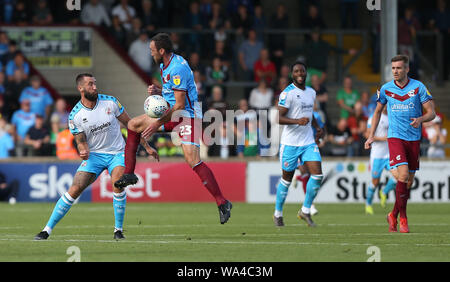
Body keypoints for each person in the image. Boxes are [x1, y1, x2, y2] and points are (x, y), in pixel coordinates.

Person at [114, 33, 233, 224]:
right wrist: (159, 92)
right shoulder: (164, 65)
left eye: (152, 50)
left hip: (187, 115)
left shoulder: (177, 68)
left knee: (192, 160)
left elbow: (179, 105)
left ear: (162, 51)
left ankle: (222, 202)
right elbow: (174, 93)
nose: (151, 53)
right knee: (133, 125)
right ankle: (129, 173)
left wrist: (156, 124)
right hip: (173, 111)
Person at [34, 73, 158, 240]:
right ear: (81, 88)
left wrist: (147, 147)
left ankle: (118, 231)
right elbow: (80, 141)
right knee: (75, 189)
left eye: (95, 83)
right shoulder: (75, 116)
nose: (94, 87)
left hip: (117, 152)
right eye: (90, 84)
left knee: (117, 183)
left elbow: (132, 126)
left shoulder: (111, 102)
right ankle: (46, 230)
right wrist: (83, 149)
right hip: (95, 156)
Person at [365, 55, 436, 233]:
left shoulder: (419, 87)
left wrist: (420, 119)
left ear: (407, 69)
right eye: (393, 68)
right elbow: (378, 112)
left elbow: (432, 113)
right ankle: (403, 219)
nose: (395, 71)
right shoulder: (386, 89)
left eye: (399, 68)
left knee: (408, 182)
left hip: (414, 139)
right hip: (395, 137)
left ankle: (393, 214)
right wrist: (371, 135)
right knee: (403, 175)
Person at [273, 61, 324, 228]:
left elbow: (310, 114)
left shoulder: (311, 92)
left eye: (302, 71)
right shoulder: (287, 93)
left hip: (308, 141)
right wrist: (297, 121)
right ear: (292, 74)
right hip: (290, 144)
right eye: (296, 71)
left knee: (317, 175)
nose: (300, 73)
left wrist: (317, 128)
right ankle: (278, 214)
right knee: (286, 180)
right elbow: (278, 118)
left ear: (306, 73)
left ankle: (306, 210)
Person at [364, 106, 397, 215]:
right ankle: (368, 204)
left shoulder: (392, 116)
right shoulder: (373, 117)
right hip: (377, 155)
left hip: (389, 155)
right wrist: (384, 138)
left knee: (398, 176)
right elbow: (367, 134)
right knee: (375, 182)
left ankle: (384, 192)